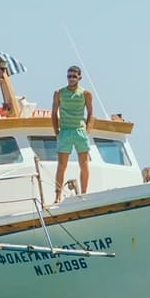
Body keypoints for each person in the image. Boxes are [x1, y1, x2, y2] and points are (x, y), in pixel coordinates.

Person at [51, 66, 94, 203]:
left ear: (79, 78)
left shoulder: (85, 93)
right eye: (69, 76)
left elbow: (91, 113)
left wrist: (87, 131)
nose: (71, 78)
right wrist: (56, 131)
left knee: (84, 164)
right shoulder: (59, 93)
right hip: (65, 131)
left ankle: (84, 194)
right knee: (61, 165)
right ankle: (57, 196)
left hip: (80, 131)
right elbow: (53, 113)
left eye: (74, 76)